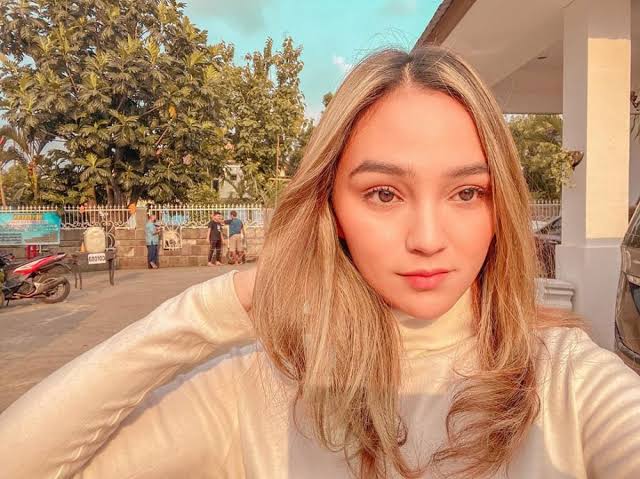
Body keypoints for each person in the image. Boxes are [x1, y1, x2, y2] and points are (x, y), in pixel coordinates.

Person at [1, 46, 640, 479]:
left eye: (467, 193)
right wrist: (214, 308)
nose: (427, 238)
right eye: (384, 194)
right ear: (329, 205)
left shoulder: (568, 381)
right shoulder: (256, 390)